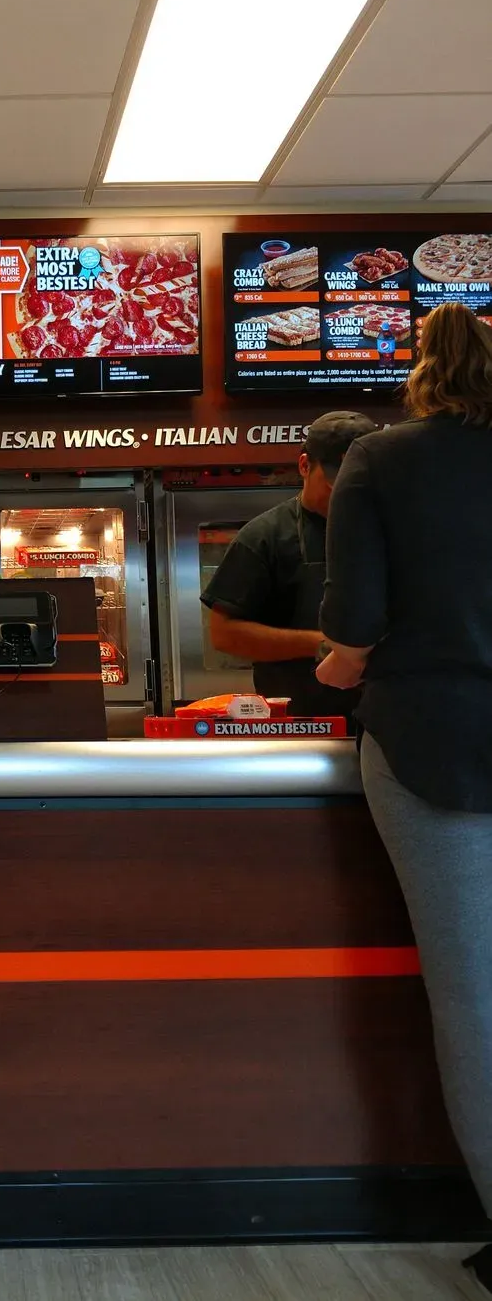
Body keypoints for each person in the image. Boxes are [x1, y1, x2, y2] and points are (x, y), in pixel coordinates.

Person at [317, 303, 492, 1293]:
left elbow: (355, 622)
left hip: (435, 747)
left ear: (419, 371)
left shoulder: (380, 460)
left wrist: (338, 667)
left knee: (476, 1001)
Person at [199, 410, 376, 717]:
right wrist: (323, 644)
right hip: (299, 718)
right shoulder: (264, 536)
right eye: (334, 484)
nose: (346, 496)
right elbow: (224, 633)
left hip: (383, 716)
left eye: (357, 483)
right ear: (305, 465)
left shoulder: (392, 530)